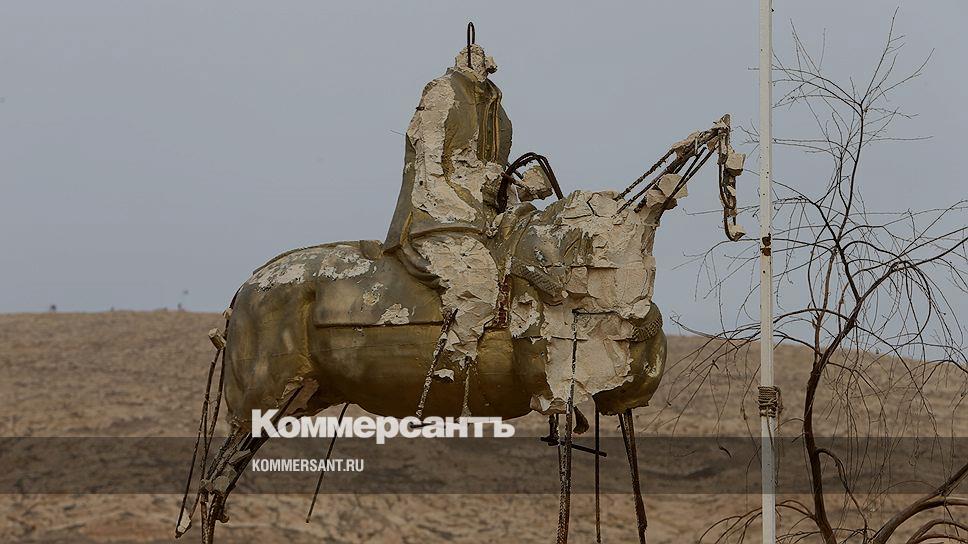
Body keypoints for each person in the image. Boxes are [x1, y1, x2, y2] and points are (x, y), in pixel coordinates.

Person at [383, 42, 512, 381]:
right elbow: (430, 170)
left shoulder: (495, 107)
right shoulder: (443, 92)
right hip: (440, 220)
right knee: (476, 283)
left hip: (488, 221)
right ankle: (452, 364)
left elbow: (493, 174)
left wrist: (519, 188)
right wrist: (465, 210)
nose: (484, 64)